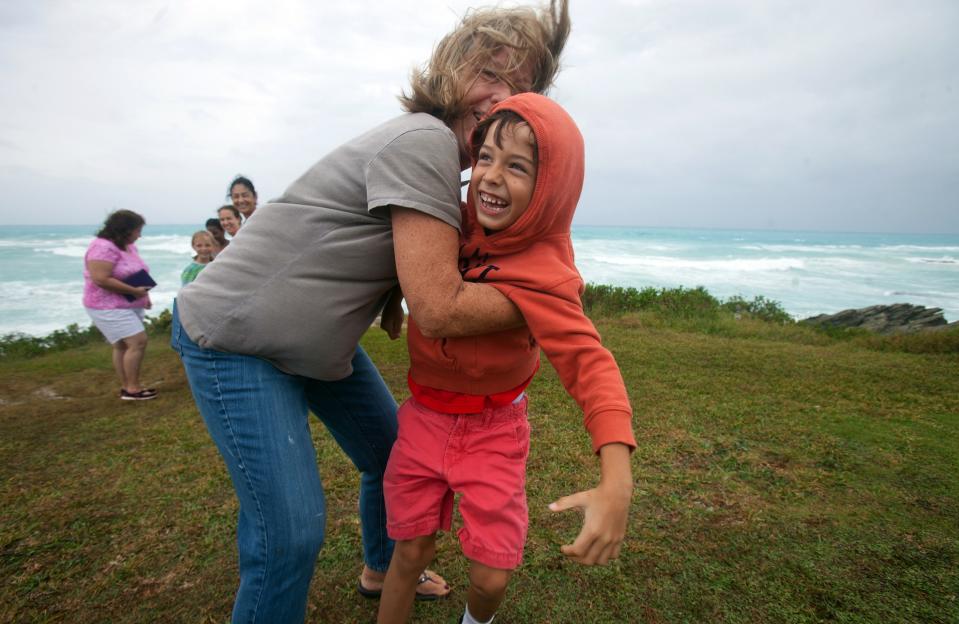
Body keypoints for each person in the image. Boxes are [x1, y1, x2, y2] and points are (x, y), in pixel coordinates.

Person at [172, 2, 570, 622]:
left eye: (520, 89)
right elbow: (438, 308)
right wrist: (551, 299)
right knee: (291, 532)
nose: (500, 99)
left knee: (393, 453)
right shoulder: (426, 139)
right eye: (491, 75)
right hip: (237, 337)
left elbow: (384, 246)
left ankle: (384, 566)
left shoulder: (437, 152)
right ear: (452, 68)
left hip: (311, 344)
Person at [376, 94, 635, 624]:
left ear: (553, 188)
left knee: (492, 574)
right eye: (485, 157)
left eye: (517, 166)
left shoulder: (547, 272)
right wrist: (390, 295)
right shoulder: (452, 222)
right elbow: (411, 260)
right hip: (423, 418)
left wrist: (617, 479)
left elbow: (591, 365)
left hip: (493, 429)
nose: (491, 177)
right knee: (409, 552)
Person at [83, 209, 157, 401]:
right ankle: (133, 388)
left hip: (129, 303)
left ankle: (128, 386)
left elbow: (133, 271)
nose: (139, 235)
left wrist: (143, 296)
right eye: (137, 230)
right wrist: (134, 291)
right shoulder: (102, 247)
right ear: (125, 230)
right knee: (137, 342)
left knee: (122, 346)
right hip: (106, 306)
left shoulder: (127, 246)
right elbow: (100, 279)